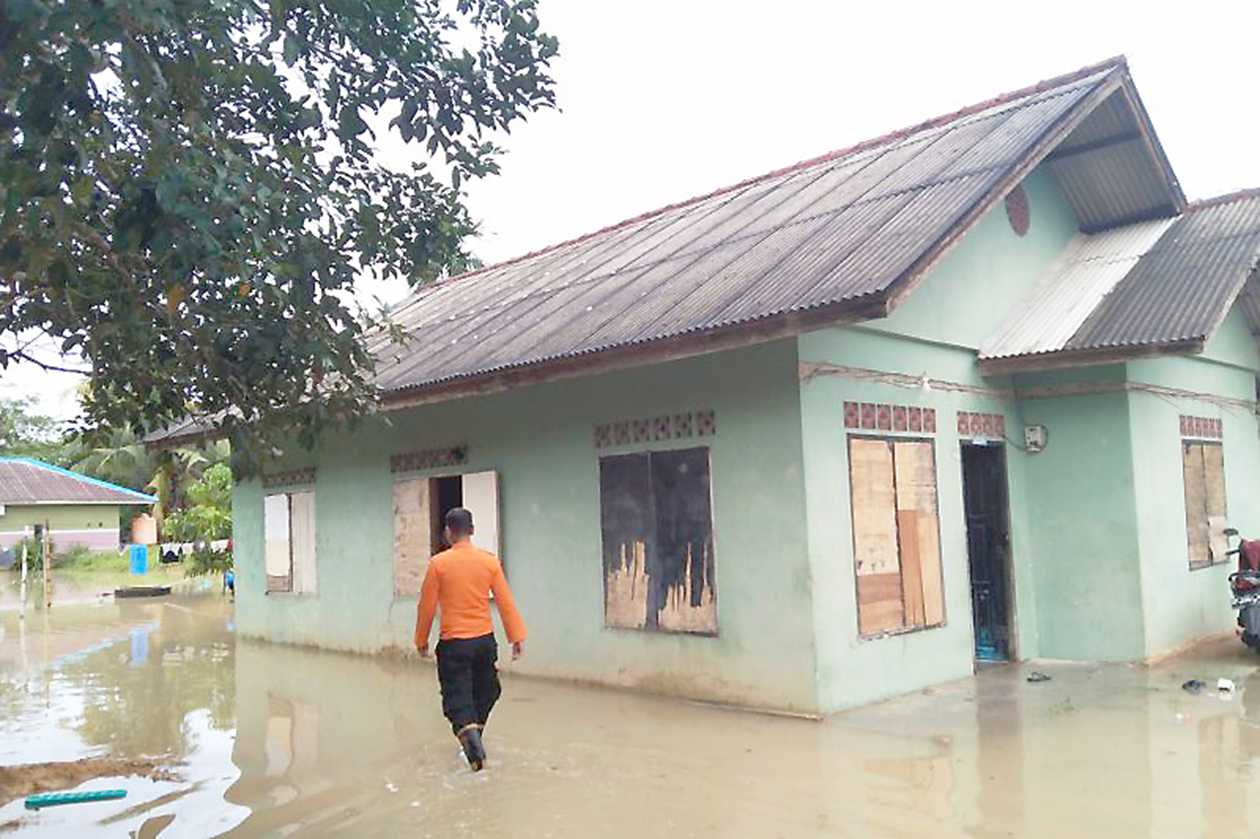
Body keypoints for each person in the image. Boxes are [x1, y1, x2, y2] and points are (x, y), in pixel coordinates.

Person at [415, 507, 527, 771]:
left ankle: (474, 753)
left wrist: (421, 641)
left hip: (454, 644)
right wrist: (516, 637)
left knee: (459, 699)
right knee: (487, 691)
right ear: (473, 531)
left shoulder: (438, 564)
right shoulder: (489, 562)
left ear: (447, 533)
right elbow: (505, 601)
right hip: (484, 644)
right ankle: (473, 739)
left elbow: (426, 607)